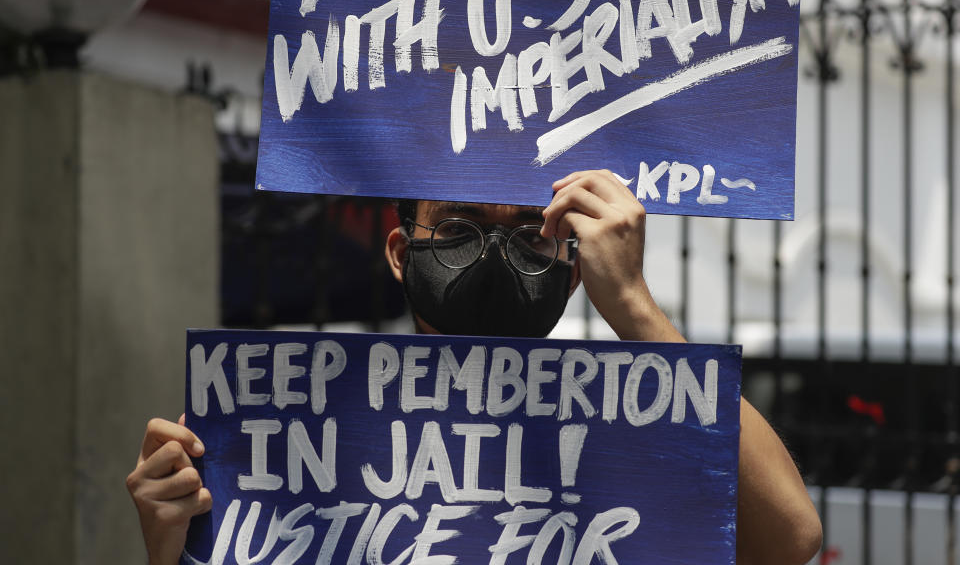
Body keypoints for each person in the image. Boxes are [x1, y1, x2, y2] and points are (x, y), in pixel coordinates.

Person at [127, 170, 822, 565]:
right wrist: (170, 549)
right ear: (401, 253)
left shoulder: (634, 430)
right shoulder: (294, 422)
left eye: (530, 234)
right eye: (459, 228)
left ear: (572, 272)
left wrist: (634, 304)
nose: (492, 253)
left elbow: (790, 540)